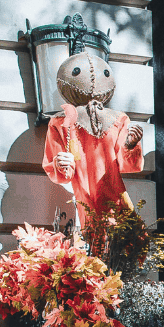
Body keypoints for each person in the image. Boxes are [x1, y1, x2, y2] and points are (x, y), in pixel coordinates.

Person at [42, 49, 145, 260]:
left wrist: (131, 145)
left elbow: (128, 165)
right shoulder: (60, 122)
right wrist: (61, 163)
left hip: (114, 199)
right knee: (89, 255)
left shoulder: (118, 119)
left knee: (122, 251)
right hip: (82, 199)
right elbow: (62, 171)